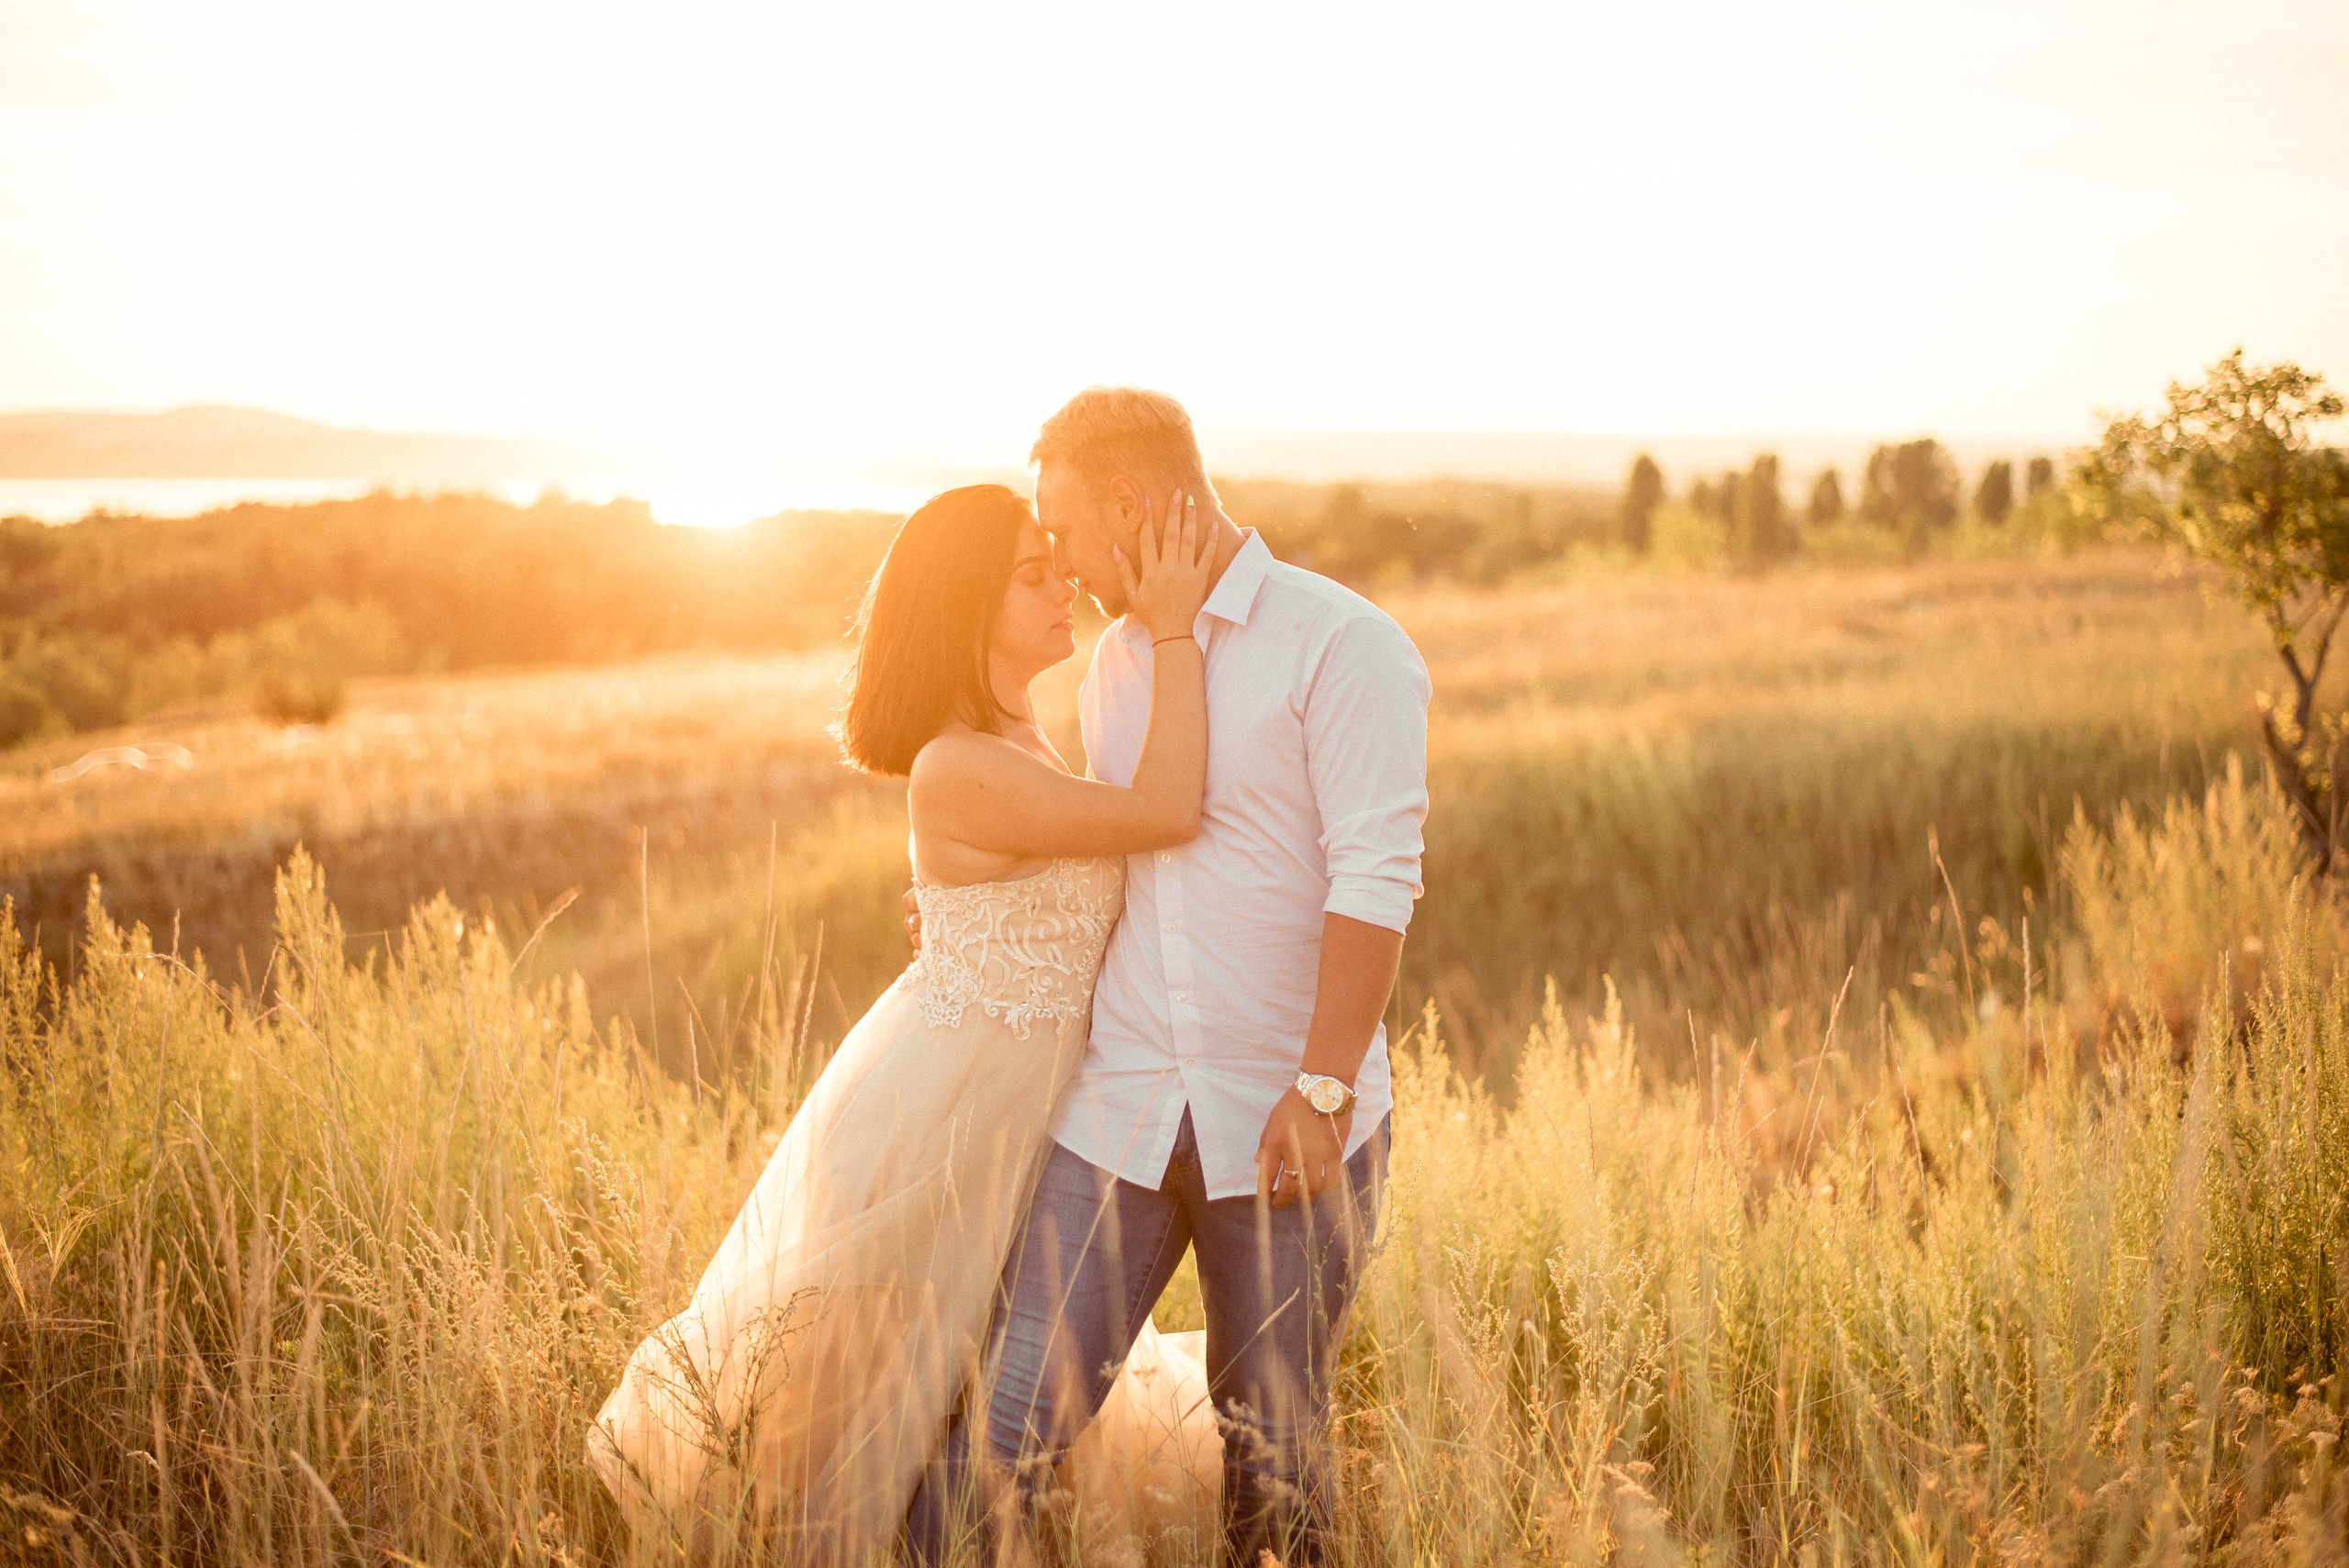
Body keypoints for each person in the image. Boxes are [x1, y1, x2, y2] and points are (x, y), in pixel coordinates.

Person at [587, 481, 1222, 1562]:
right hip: (945, 1119)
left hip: (1014, 1108)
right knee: (863, 1409)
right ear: (965, 609)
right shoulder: (959, 762)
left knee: (991, 1384)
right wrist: (1172, 625)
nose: (1063, 583)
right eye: (1034, 575)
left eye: (1054, 564)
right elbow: (1167, 811)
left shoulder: (1017, 736)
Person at [907, 388, 1432, 1566]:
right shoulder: (1117, 665)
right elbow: (1135, 861)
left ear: (1134, 503)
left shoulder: (1345, 645)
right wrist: (974, 914)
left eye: (1067, 530)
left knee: (1272, 1457)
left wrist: (1324, 1087)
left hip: (1286, 1121)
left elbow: (1376, 881)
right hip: (1121, 1105)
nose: (1068, 566)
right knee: (1006, 1423)